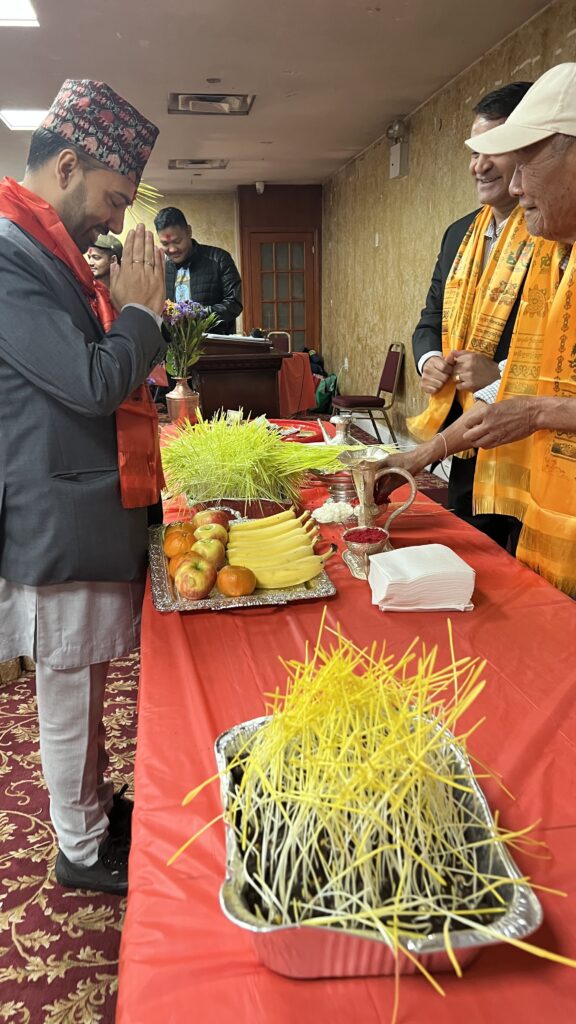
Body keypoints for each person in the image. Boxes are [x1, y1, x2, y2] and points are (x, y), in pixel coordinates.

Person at [0, 79, 167, 895]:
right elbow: (93, 382)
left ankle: (93, 809)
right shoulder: (8, 256)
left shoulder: (46, 251)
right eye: (114, 199)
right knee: (69, 689)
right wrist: (141, 315)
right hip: (56, 517)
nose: (114, 219)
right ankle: (80, 845)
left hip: (81, 507)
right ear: (67, 165)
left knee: (88, 682)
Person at [379, 64, 576, 597]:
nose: (513, 185)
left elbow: (529, 398)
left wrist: (537, 410)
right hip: (526, 481)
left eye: (525, 162)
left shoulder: (542, 246)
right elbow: (517, 390)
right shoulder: (555, 255)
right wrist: (418, 457)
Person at [411, 82, 532, 549]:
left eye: (493, 149)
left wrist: (497, 375)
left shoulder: (553, 232)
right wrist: (429, 361)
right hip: (462, 426)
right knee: (470, 545)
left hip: (529, 441)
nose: (478, 165)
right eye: (475, 151)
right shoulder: (458, 234)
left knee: (521, 557)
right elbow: (430, 318)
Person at [154, 206, 242, 334]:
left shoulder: (219, 259)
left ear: (189, 231)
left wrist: (198, 314)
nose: (172, 249)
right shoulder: (161, 268)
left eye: (177, 241)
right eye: (165, 244)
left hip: (214, 344)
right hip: (173, 345)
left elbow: (234, 303)